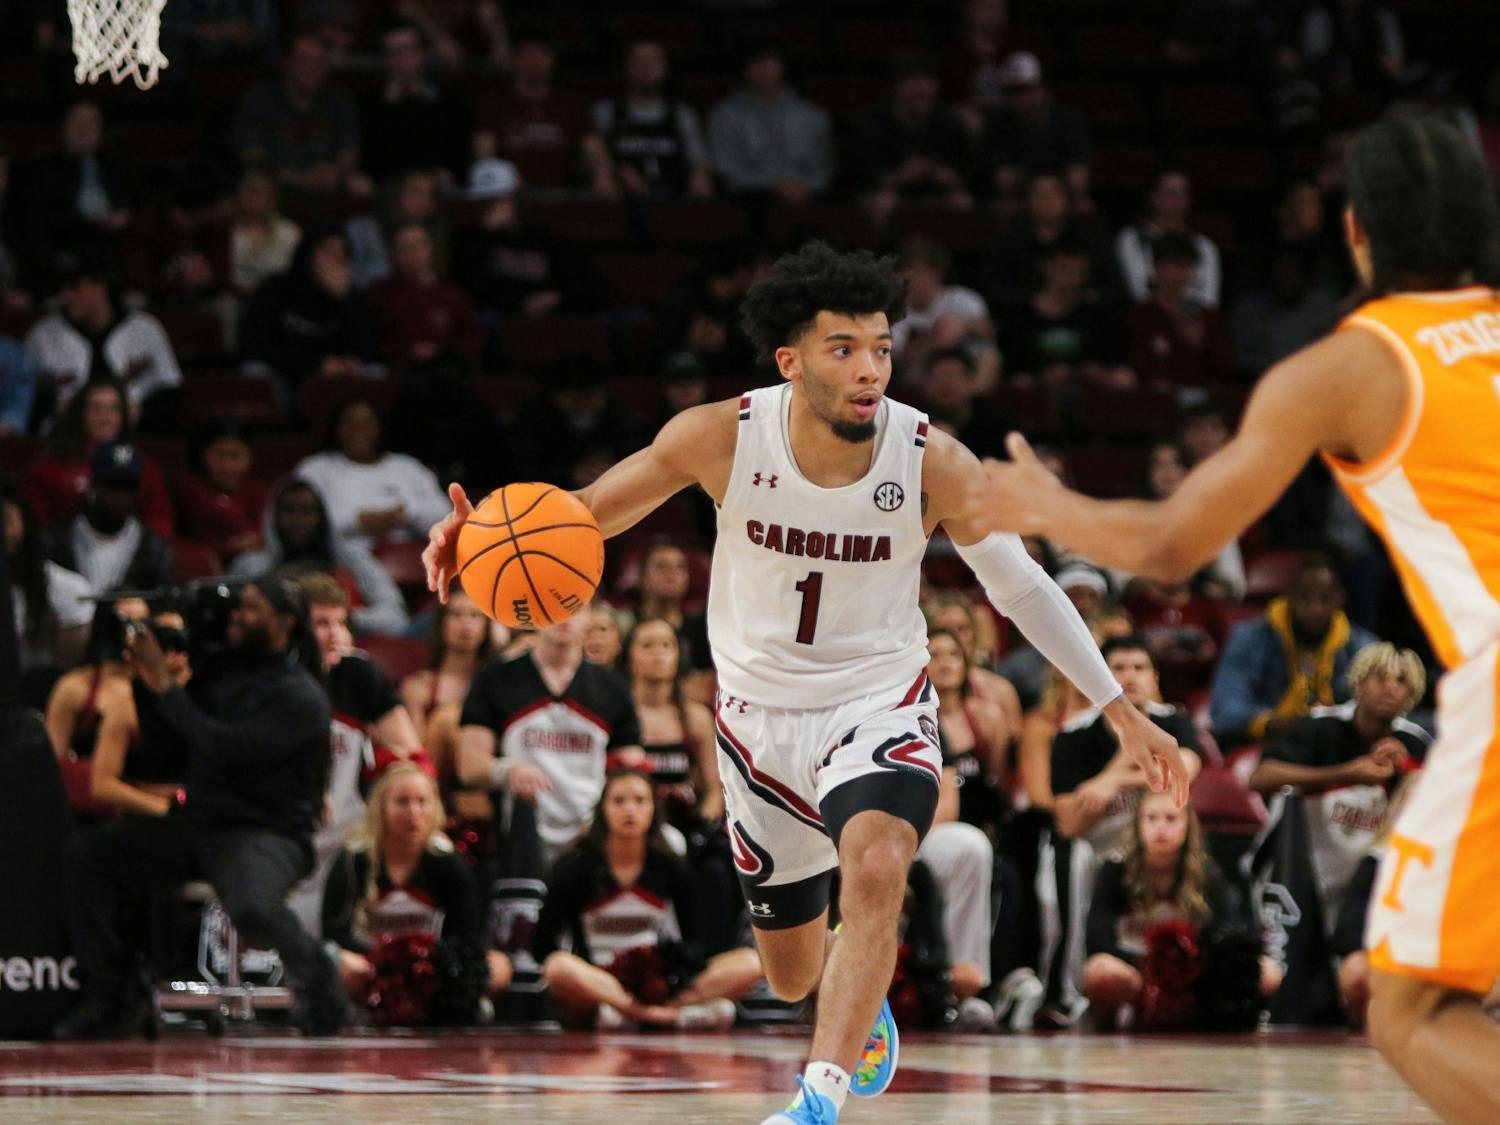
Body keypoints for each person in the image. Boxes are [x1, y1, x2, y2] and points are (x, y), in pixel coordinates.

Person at [423, 241, 1188, 1124]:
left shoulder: (933, 458)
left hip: (877, 701)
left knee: (878, 861)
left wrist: (1118, 706)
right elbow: (581, 514)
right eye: (844, 349)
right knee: (789, 972)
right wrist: (481, 540)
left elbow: (1018, 584)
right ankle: (852, 988)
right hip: (757, 725)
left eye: (882, 348)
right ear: (790, 360)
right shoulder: (719, 437)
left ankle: (816, 1100)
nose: (870, 370)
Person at [979, 111, 1500, 1123]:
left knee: (1409, 1009)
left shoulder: (1355, 364)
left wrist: (1048, 507)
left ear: (1357, 232)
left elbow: (1176, 543)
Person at [57, 577, 348, 1038]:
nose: (236, 615)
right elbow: (167, 749)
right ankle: (110, 995)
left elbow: (224, 747)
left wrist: (167, 693)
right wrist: (151, 683)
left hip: (263, 831)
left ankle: (320, 983)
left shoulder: (299, 696)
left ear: (283, 624)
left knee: (252, 908)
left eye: (250, 609)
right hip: (200, 823)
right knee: (88, 858)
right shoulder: (218, 670)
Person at [533, 768, 762, 1029]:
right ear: (603, 808)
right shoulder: (576, 868)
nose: (630, 810)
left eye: (640, 801)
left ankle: (644, 1013)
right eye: (619, 801)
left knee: (751, 962)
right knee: (557, 968)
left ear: (653, 809)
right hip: (600, 982)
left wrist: (667, 973)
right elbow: (542, 946)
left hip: (657, 982)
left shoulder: (670, 866)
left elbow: (696, 942)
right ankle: (662, 1017)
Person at [1249, 642, 1429, 929]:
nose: (1391, 687)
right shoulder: (1320, 726)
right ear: (1358, 683)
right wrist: (1347, 774)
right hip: (1297, 874)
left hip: (1367, 890)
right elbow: (1261, 777)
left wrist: (1406, 773)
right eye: (1380, 677)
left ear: (1413, 695)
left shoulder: (1415, 743)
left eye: (1402, 680)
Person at [287, 573, 423, 935]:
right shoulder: (272, 679)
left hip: (346, 838)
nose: (337, 635)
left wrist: (385, 779)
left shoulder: (357, 673)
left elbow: (411, 757)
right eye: (322, 624)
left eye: (341, 622)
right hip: (282, 835)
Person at [457, 611, 645, 870]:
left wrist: (604, 821)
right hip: (518, 834)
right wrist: (507, 770)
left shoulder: (613, 688)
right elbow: (469, 766)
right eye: (555, 604)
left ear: (590, 615)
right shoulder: (496, 679)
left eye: (575, 606)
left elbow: (631, 771)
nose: (564, 616)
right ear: (534, 612)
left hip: (590, 834)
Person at [1082, 791, 1274, 1028]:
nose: (1160, 827)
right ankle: (1114, 1021)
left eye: (1171, 819)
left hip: (1192, 977)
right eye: (1151, 818)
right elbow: (1097, 939)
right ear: (1137, 825)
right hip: (1138, 974)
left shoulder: (1207, 874)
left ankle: (1208, 1021)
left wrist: (1188, 968)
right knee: (1100, 971)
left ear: (1188, 827)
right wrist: (1153, 968)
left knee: (1268, 971)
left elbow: (1234, 934)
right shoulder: (1115, 871)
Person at [321, 759, 498, 1006]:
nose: (414, 812)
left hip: (431, 970)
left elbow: (468, 935)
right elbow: (333, 932)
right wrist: (383, 961)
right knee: (335, 962)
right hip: (370, 967)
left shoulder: (446, 860)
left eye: (422, 801)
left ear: (434, 806)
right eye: (402, 802)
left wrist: (428, 961)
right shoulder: (354, 858)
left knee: (500, 968)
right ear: (381, 807)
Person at [1209, 554, 1376, 745]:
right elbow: (1224, 712)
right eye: (1304, 597)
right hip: (1268, 743)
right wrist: (1275, 723)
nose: (1314, 608)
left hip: (1338, 745)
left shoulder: (1363, 647)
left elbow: (1379, 711)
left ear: (1339, 599)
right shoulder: (1248, 638)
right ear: (1289, 595)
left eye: (1324, 599)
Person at [230, 476, 408, 636]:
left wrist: (343, 619)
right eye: (288, 510)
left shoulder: (352, 559)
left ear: (323, 517)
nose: (298, 520)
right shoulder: (251, 565)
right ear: (273, 516)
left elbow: (396, 617)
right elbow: (232, 619)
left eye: (308, 511)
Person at [23, 260, 182, 430]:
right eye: (62, 290)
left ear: (99, 288)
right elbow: (25, 391)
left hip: (137, 431)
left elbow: (171, 386)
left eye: (75, 289)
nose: (65, 297)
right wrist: (57, 406)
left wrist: (140, 410)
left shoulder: (145, 327)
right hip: (65, 433)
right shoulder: (43, 333)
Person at [293, 396, 450, 552]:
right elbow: (300, 521)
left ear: (380, 427)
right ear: (336, 428)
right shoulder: (315, 468)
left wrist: (405, 515)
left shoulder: (408, 467)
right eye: (349, 422)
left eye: (368, 422)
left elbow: (446, 517)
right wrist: (358, 521)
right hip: (339, 563)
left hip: (411, 562)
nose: (359, 429)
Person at [23, 380, 174, 541]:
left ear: (123, 416)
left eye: (113, 408)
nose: (105, 417)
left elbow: (160, 523)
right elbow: (33, 524)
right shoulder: (49, 469)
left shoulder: (146, 469)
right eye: (96, 408)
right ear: (80, 413)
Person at [238, 224, 382, 389]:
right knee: (255, 372)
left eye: (341, 253)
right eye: (327, 252)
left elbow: (367, 350)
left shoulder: (353, 295)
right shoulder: (275, 289)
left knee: (375, 373)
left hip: (339, 375)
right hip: (286, 371)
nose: (334, 260)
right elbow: (257, 346)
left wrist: (344, 300)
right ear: (308, 253)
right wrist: (316, 364)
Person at [235, 31, 368, 198]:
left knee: (361, 186)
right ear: (287, 63)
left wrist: (337, 171)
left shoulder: (339, 102)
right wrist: (299, 179)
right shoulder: (260, 100)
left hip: (326, 185)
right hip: (277, 185)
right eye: (304, 60)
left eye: (320, 61)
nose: (312, 67)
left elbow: (348, 150)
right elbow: (252, 157)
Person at [625, 617, 722, 831]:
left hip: (685, 828)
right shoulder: (617, 715)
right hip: (628, 826)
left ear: (678, 655)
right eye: (647, 645)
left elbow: (715, 790)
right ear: (630, 655)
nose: (658, 652)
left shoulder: (697, 718)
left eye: (666, 645)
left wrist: (704, 829)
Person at [46, 443, 176, 598]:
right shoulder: (58, 538)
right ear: (93, 486)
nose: (121, 497)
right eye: (113, 486)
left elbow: (164, 607)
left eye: (128, 488)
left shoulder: (154, 550)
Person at [707, 45, 834, 204]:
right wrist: (773, 186)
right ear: (745, 68)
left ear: (782, 66)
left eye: (770, 61)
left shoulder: (813, 116)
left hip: (806, 201)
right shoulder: (724, 115)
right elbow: (726, 169)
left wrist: (803, 186)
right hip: (747, 202)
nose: (764, 69)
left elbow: (823, 170)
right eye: (756, 62)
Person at [590, 40, 714, 201]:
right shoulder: (605, 112)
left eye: (654, 61)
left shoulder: (683, 114)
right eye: (639, 61)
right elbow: (592, 157)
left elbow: (699, 160)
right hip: (620, 202)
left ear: (666, 68)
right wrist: (615, 170)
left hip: (673, 201)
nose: (646, 67)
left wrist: (700, 175)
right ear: (627, 67)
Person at [399, 589, 494, 782]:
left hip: (480, 784)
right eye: (456, 614)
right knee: (447, 719)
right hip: (431, 781)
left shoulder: (496, 684)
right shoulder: (418, 686)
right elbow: (414, 753)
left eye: (476, 615)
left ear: (487, 626)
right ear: (442, 623)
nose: (465, 624)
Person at [359, 20, 470, 185]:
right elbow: (368, 160)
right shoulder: (370, 105)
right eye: (393, 52)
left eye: (406, 50)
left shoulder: (448, 101)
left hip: (435, 187)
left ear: (422, 54)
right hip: (387, 189)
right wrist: (389, 106)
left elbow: (459, 153)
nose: (401, 59)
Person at [3, 482, 92, 681]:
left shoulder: (68, 589)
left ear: (27, 525)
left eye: (6, 520)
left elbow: (70, 670)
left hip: (43, 694)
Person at [1126, 232, 1235, 389]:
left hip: (1200, 402)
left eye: (1185, 266)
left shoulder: (1206, 316)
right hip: (1153, 402)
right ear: (1156, 266)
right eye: (1172, 264)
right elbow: (1135, 367)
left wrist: (1201, 344)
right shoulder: (1139, 317)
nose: (1178, 274)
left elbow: (1226, 370)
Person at [1114, 169, 1221, 308]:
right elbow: (1139, 292)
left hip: (1192, 322)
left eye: (1182, 194)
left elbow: (1209, 301)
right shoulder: (1131, 239)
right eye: (1170, 194)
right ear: (1154, 197)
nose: (1177, 201)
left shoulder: (1205, 247)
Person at [175, 421, 268, 564]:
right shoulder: (190, 489)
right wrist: (232, 546)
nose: (227, 466)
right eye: (220, 456)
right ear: (204, 456)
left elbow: (266, 535)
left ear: (250, 458)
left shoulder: (258, 493)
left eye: (235, 456)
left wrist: (256, 539)